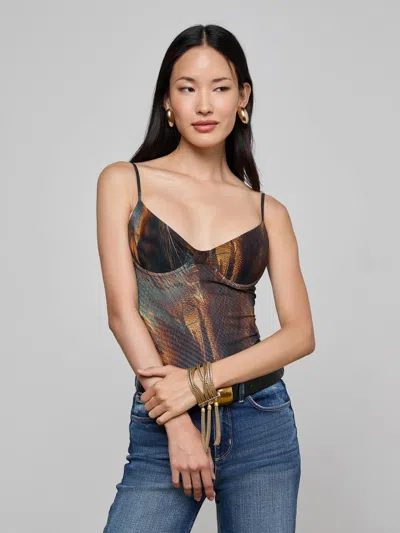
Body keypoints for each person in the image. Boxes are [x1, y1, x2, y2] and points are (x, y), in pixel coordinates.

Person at [96, 23, 315, 533]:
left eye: (219, 88)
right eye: (187, 88)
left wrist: (197, 384)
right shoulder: (124, 182)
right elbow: (122, 315)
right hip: (163, 419)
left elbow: (300, 335)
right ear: (167, 101)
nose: (203, 105)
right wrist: (176, 421)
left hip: (262, 422)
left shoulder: (268, 211)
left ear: (243, 98)